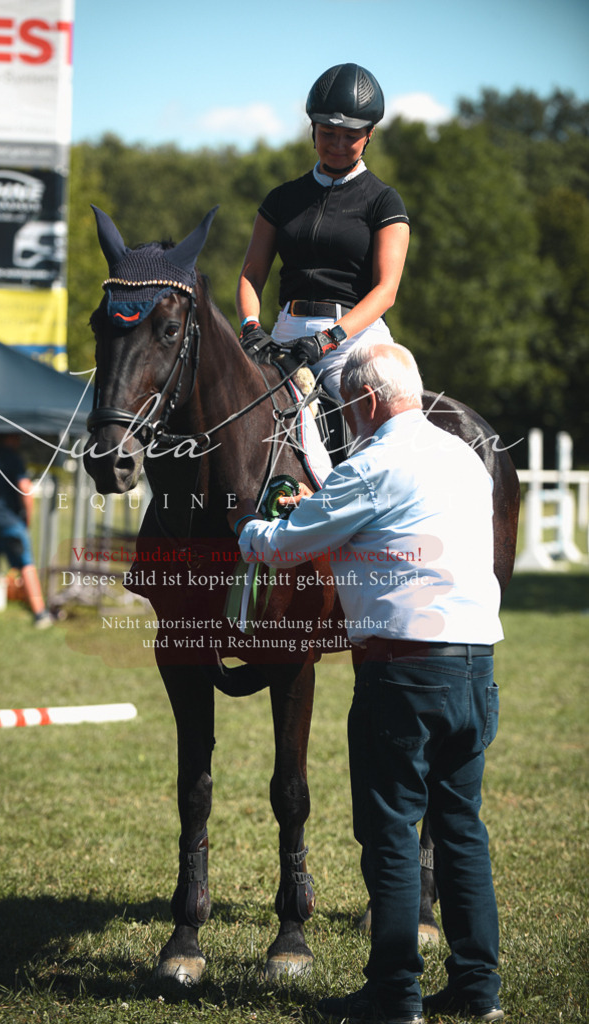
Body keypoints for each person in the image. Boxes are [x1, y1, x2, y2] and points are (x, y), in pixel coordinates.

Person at [228, 343, 504, 1024]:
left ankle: (394, 994)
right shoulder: (464, 458)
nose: (347, 419)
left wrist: (248, 527)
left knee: (387, 832)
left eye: (349, 406)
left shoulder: (372, 465)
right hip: (476, 667)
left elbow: (286, 544)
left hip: (402, 673)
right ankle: (477, 988)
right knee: (461, 829)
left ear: (370, 401)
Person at [236, 62, 410, 403]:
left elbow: (386, 290)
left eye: (351, 135)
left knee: (373, 417)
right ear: (312, 128)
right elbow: (252, 274)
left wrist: (330, 337)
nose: (338, 144)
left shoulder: (384, 201)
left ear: (370, 134)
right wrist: (251, 327)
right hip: (285, 333)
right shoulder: (282, 198)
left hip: (354, 340)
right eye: (328, 132)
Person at [0, 434, 52, 628]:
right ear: (12, 438)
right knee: (26, 566)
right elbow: (25, 489)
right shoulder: (13, 458)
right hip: (11, 523)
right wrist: (26, 520)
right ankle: (40, 614)